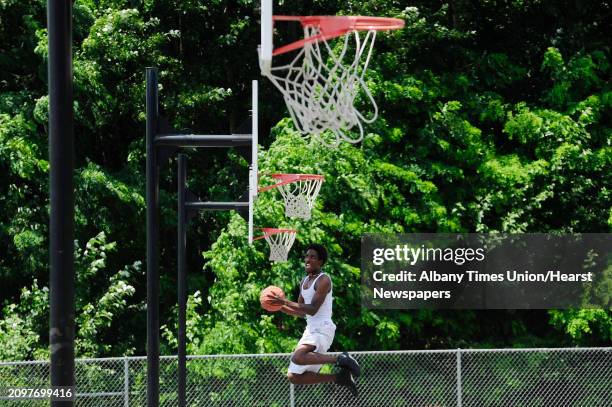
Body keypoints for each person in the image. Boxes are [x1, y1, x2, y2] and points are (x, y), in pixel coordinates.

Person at [270, 244, 360, 396]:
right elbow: (301, 311)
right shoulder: (304, 282)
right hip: (311, 329)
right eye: (306, 256)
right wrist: (278, 306)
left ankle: (340, 358)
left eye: (312, 257)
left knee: (298, 357)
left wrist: (284, 301)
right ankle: (339, 377)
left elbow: (312, 309)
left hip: (323, 328)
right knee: (294, 377)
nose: (307, 259)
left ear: (321, 262)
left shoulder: (323, 280)